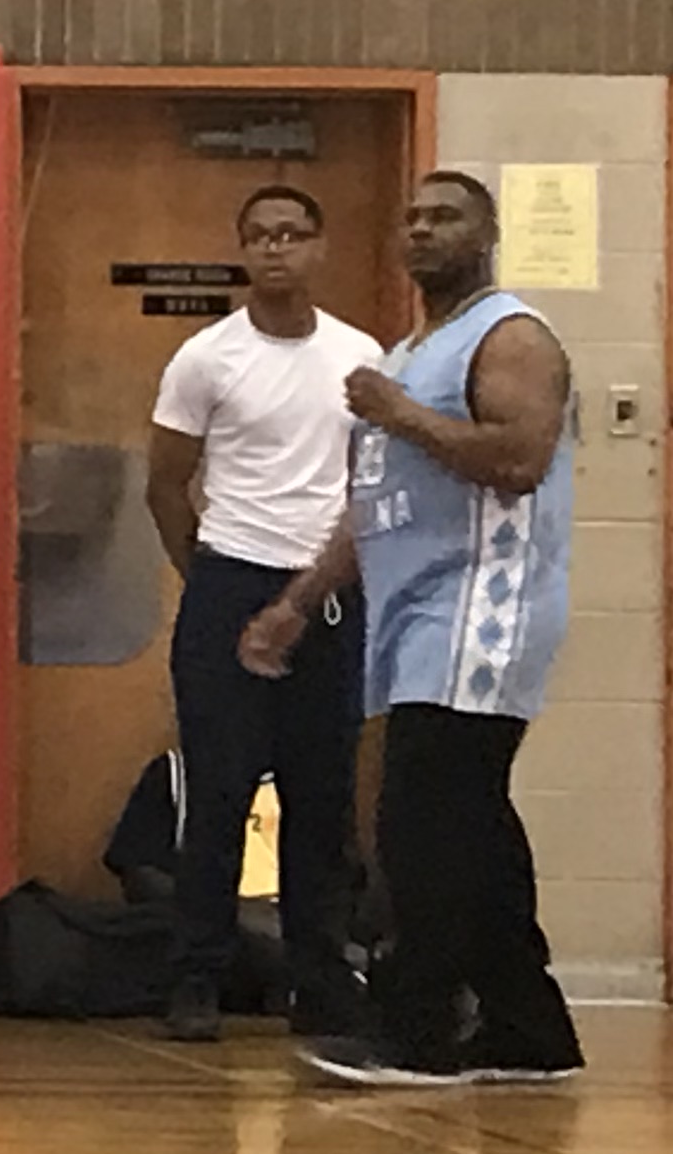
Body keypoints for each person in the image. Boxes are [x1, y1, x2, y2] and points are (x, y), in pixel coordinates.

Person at [244, 169, 582, 1090]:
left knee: (422, 821)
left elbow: (519, 457)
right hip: (411, 615)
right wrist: (298, 601)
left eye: (446, 217)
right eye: (414, 217)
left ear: (487, 233)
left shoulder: (508, 336)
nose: (425, 230)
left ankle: (419, 1025)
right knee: (470, 821)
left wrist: (402, 415)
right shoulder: (406, 354)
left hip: (484, 606)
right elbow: (374, 505)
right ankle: (527, 1026)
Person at [142, 185, 382, 1043]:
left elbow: (370, 489)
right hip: (230, 582)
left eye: (293, 233)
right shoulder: (206, 359)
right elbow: (165, 484)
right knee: (220, 791)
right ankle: (196, 979)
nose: (277, 249)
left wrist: (308, 593)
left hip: (325, 590)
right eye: (261, 236)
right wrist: (211, 579)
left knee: (322, 800)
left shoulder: (360, 357)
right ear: (244, 251)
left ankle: (318, 980)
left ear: (318, 247)